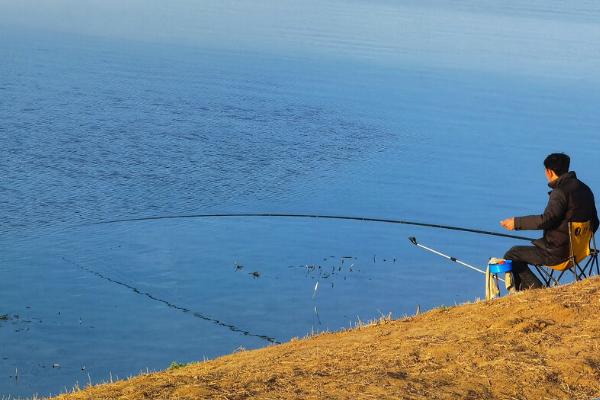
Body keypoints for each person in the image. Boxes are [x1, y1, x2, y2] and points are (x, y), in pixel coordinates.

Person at [500, 153, 599, 291]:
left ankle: (537, 290)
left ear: (549, 171)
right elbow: (595, 222)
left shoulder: (560, 192)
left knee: (512, 254)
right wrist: (578, 241)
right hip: (581, 252)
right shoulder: (585, 189)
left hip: (559, 254)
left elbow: (547, 219)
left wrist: (516, 223)